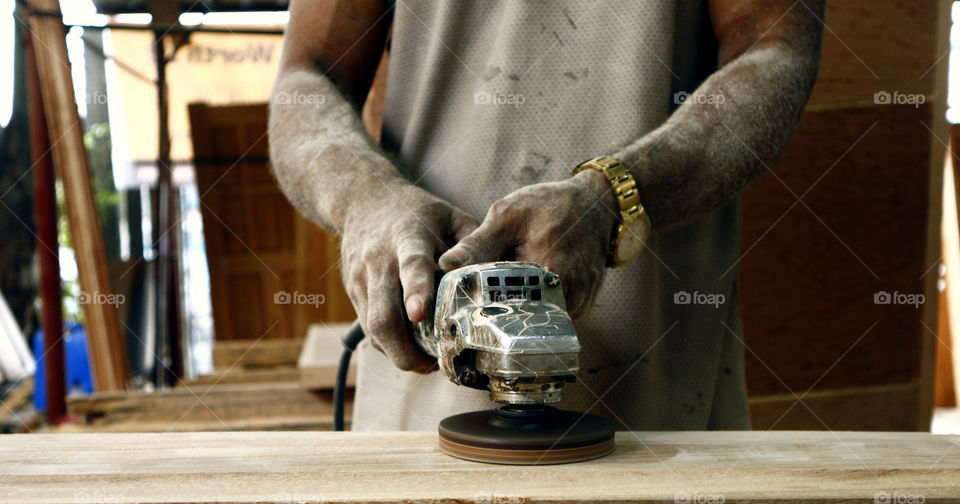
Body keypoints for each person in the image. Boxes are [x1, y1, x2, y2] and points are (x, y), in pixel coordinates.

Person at [269, 0, 825, 431]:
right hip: (424, 383)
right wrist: (366, 197)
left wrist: (614, 198)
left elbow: (775, 47)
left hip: (658, 390)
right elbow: (309, 74)